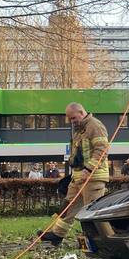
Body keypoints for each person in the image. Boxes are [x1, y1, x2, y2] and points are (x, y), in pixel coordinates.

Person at [38, 103, 110, 247]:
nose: (72, 121)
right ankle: (57, 235)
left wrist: (89, 169)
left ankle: (103, 241)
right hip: (78, 178)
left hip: (92, 178)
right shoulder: (79, 129)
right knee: (67, 207)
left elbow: (102, 149)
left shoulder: (95, 126)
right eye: (70, 119)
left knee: (92, 212)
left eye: (73, 118)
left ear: (82, 112)